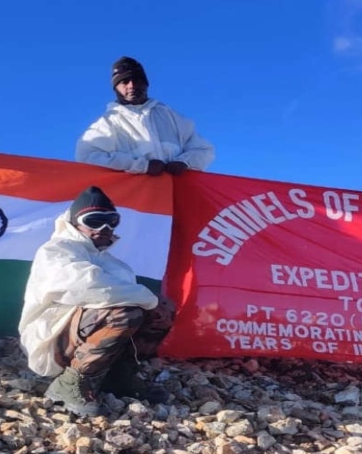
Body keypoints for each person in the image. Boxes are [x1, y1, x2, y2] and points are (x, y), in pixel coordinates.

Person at [19, 186, 176, 415]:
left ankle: (118, 376)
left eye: (112, 221)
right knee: (122, 313)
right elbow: (89, 285)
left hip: (82, 332)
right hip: (51, 340)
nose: (105, 228)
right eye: (94, 220)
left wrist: (152, 304)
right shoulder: (56, 251)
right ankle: (70, 383)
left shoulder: (113, 262)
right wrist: (147, 298)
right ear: (74, 223)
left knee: (162, 310)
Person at [76, 56, 215, 175]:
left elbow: (204, 150)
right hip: (137, 200)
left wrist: (184, 162)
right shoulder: (107, 123)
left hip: (178, 194)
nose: (131, 85)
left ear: (146, 84)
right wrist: (141, 166)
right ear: (115, 88)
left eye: (137, 80)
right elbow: (87, 157)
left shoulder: (170, 116)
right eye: (124, 82)